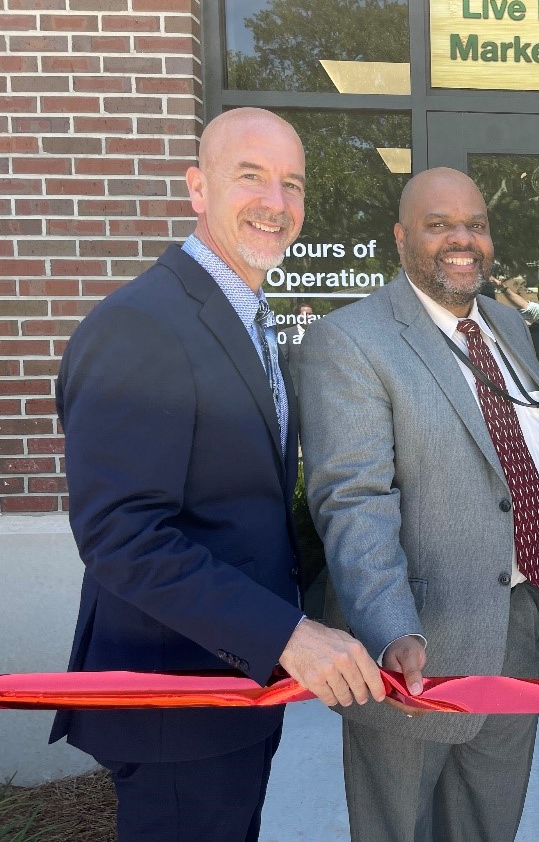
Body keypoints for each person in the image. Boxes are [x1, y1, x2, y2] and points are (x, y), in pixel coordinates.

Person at [51, 107, 386, 842]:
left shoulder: (247, 317)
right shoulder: (141, 324)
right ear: (198, 188)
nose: (276, 201)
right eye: (251, 176)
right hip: (175, 704)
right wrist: (287, 634)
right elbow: (121, 537)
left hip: (234, 692)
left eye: (292, 183)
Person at [298, 167, 539, 842]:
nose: (462, 239)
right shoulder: (352, 339)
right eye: (439, 225)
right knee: (399, 829)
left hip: (515, 622)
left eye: (475, 225)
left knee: (489, 824)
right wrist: (390, 628)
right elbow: (354, 499)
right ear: (401, 238)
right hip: (413, 650)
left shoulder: (507, 325)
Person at [282, 302, 315, 390]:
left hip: (315, 388)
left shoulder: (318, 334)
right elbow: (283, 362)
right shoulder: (287, 334)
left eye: (310, 314)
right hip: (294, 387)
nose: (308, 317)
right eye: (305, 314)